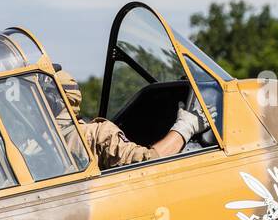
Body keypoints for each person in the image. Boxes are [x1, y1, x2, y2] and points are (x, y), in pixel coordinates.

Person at [53, 67, 208, 170]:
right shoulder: (96, 134)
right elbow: (149, 163)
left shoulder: (38, 144)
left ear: (54, 100)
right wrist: (186, 127)